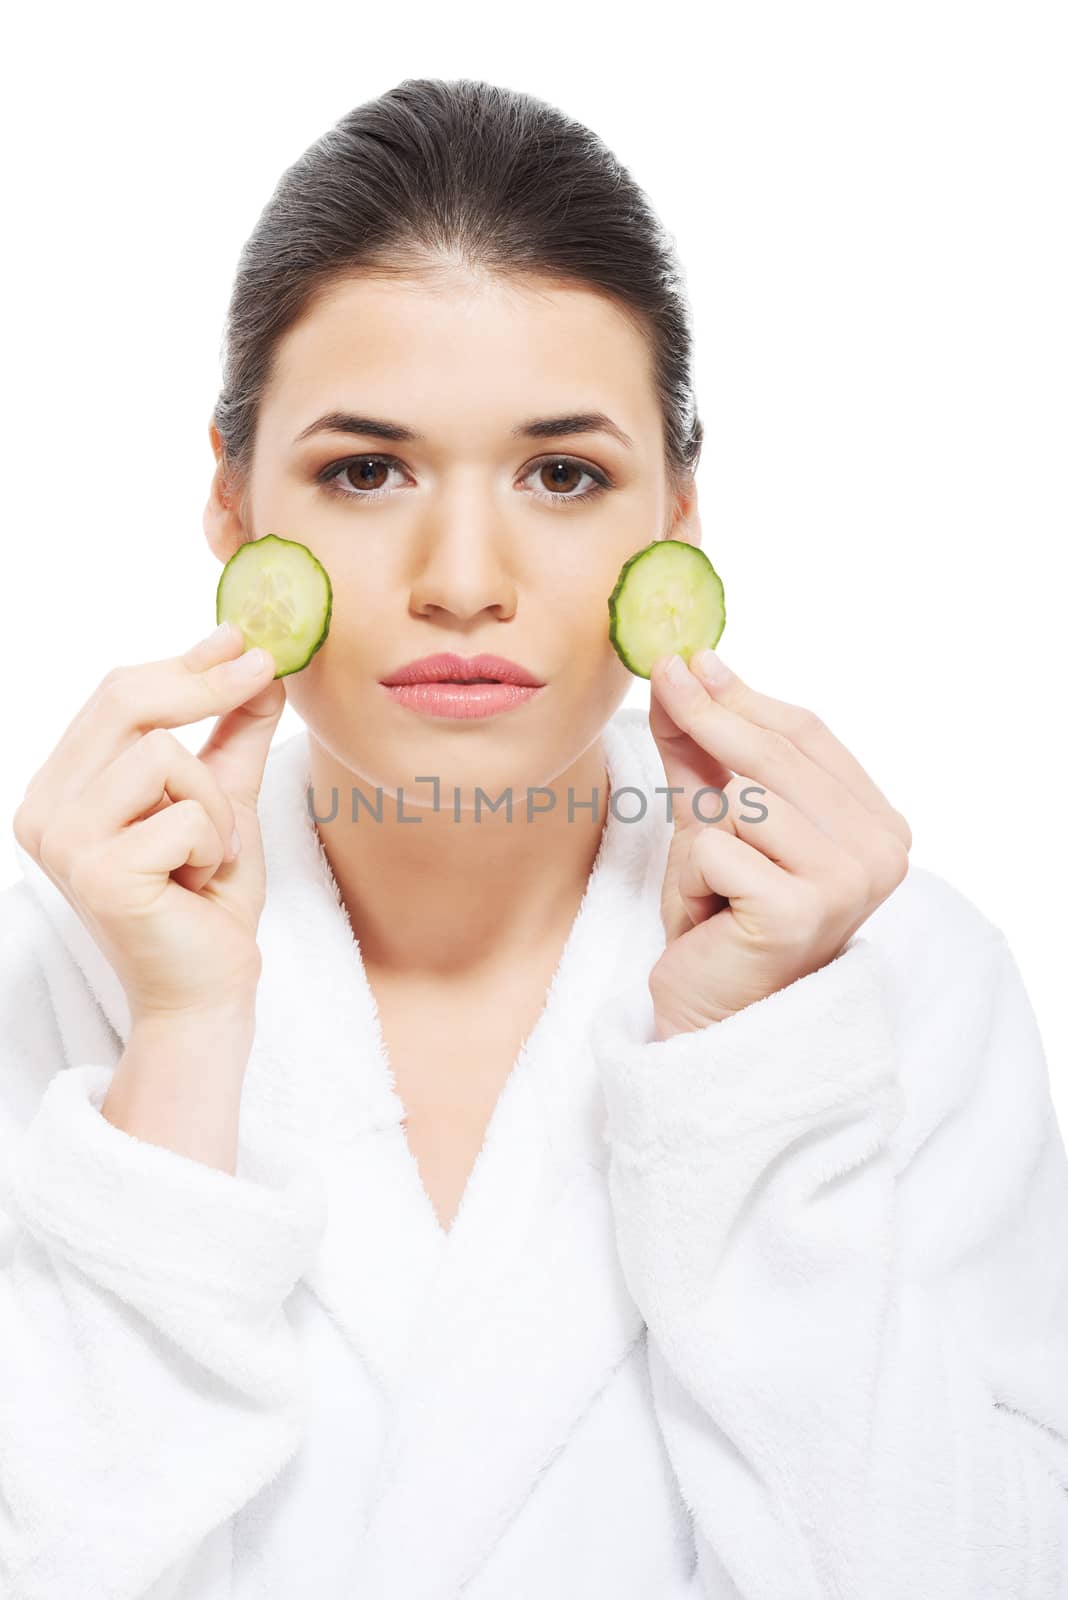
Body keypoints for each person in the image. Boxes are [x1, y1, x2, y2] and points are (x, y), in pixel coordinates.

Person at [1, 76, 1066, 1600]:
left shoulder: (904, 974)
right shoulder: (61, 964)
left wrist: (751, 1071)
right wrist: (180, 1034)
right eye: (366, 471)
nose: (464, 579)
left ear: (676, 517)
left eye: (563, 475)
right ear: (233, 507)